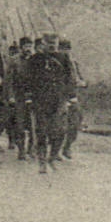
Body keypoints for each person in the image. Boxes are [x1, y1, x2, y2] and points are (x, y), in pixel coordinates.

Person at [24, 34, 72, 174]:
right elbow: (27, 79)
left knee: (60, 131)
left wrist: (68, 97)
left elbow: (70, 79)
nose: (52, 46)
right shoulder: (34, 60)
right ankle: (42, 161)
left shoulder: (64, 59)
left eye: (54, 43)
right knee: (41, 132)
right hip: (40, 101)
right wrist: (29, 98)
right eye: (49, 43)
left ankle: (52, 157)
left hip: (58, 101)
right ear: (43, 44)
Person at [59, 38, 87, 159]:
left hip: (72, 97)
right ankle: (55, 150)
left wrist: (82, 82)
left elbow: (81, 78)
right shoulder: (55, 63)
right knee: (60, 126)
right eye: (62, 49)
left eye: (67, 49)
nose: (65, 52)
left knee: (75, 124)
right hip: (59, 98)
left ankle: (67, 147)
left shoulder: (73, 64)